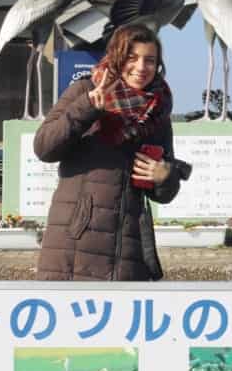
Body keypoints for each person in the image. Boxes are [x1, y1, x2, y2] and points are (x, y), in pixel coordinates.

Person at [33, 23, 187, 281]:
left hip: (127, 245)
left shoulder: (158, 110)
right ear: (117, 57)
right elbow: (44, 147)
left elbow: (164, 193)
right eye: (132, 57)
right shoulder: (86, 90)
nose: (141, 67)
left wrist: (165, 177)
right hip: (76, 241)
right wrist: (87, 107)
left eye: (150, 60)